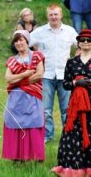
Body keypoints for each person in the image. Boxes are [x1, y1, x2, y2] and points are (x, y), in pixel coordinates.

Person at [30, 3, 78, 143]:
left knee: (67, 109)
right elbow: (26, 42)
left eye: (56, 14)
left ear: (61, 15)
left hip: (65, 75)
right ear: (47, 16)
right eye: (51, 14)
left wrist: (77, 62)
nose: (53, 17)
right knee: (46, 110)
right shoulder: (40, 31)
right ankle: (48, 135)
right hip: (46, 75)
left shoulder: (69, 31)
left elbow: (81, 45)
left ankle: (67, 134)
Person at [51, 29, 91, 176]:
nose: (86, 42)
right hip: (75, 105)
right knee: (73, 133)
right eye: (83, 40)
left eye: (88, 40)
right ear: (79, 43)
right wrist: (76, 82)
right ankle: (74, 167)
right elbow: (65, 84)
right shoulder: (71, 62)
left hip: (90, 104)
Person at [2, 30, 45, 161]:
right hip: (16, 99)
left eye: (21, 40)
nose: (19, 43)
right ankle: (17, 156)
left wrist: (18, 81)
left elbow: (39, 74)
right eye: (16, 41)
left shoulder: (37, 55)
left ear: (27, 41)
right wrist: (24, 75)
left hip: (32, 97)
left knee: (33, 122)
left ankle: (35, 156)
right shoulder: (12, 60)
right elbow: (8, 78)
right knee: (16, 124)